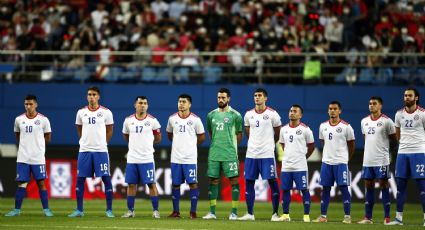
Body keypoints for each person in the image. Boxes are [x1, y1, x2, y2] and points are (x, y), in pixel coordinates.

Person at [68, 86, 114, 218]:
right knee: (80, 179)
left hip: (101, 151)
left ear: (98, 96)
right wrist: (85, 141)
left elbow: (110, 130)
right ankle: (79, 210)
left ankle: (109, 210)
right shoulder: (81, 112)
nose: (91, 97)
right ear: (87, 96)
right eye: (89, 94)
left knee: (106, 178)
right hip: (84, 150)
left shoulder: (106, 112)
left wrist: (103, 143)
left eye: (94, 94)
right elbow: (79, 129)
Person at [5, 95, 53, 217]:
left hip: (38, 158)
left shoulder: (43, 120)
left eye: (31, 104)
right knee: (22, 183)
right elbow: (17, 135)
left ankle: (46, 210)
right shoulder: (18, 119)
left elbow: (48, 137)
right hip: (23, 158)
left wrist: (39, 147)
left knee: (41, 183)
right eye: (26, 104)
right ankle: (16, 210)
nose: (28, 106)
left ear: (36, 104)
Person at [238, 88, 282, 221]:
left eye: (260, 95)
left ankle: (275, 214)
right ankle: (250, 214)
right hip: (251, 154)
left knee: (273, 182)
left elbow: (277, 133)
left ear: (265, 98)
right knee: (249, 182)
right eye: (255, 96)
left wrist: (267, 144)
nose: (257, 98)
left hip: (267, 155)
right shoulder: (248, 114)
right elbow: (247, 131)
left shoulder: (273, 114)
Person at [202, 88, 243, 220]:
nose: (220, 100)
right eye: (219, 97)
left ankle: (234, 212)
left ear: (228, 99)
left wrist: (231, 146)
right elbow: (210, 133)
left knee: (234, 180)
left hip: (230, 154)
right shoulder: (211, 115)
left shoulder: (235, 115)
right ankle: (212, 212)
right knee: (213, 181)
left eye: (223, 98)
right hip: (214, 153)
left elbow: (239, 135)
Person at [313, 101, 355, 224]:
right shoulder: (323, 126)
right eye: (330, 108)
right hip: (326, 162)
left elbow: (352, 144)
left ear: (339, 111)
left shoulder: (346, 127)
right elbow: (323, 142)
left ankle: (347, 217)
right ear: (328, 111)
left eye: (335, 109)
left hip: (341, 163)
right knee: (325, 189)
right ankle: (323, 216)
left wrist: (346, 158)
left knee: (343, 188)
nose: (332, 111)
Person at [389, 88, 425, 226]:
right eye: (405, 95)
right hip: (403, 153)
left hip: (419, 152)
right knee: (400, 187)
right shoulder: (399, 114)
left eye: (410, 95)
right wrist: (404, 144)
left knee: (422, 187)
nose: (407, 97)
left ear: (416, 98)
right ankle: (398, 219)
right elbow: (397, 134)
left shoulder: (422, 113)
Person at [121, 96, 162, 218]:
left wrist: (147, 144)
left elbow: (158, 138)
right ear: (135, 105)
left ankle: (155, 211)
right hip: (132, 158)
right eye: (140, 103)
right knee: (131, 184)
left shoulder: (153, 121)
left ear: (147, 106)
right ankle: (130, 211)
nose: (142, 105)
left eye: (145, 103)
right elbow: (126, 136)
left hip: (147, 159)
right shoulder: (128, 120)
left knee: (151, 184)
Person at [358, 96, 396, 225]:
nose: (371, 105)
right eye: (370, 103)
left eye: (374, 103)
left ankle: (387, 218)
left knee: (384, 185)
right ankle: (368, 217)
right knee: (368, 186)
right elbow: (366, 139)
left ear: (380, 106)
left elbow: (394, 140)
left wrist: (386, 152)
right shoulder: (364, 121)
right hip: (368, 160)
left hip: (382, 160)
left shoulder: (387, 121)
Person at [166, 94, 205, 218]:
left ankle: (193, 212)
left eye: (184, 101)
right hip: (176, 158)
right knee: (176, 184)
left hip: (190, 159)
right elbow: (170, 135)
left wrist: (191, 145)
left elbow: (202, 137)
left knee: (193, 183)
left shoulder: (195, 119)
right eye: (179, 101)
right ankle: (176, 211)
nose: (181, 104)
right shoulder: (172, 118)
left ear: (189, 104)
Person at [278, 105, 315, 222]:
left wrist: (303, 157)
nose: (292, 113)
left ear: (300, 115)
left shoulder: (306, 129)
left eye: (295, 111)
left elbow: (311, 147)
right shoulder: (283, 129)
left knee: (304, 190)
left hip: (300, 166)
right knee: (285, 190)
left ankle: (306, 216)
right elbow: (282, 144)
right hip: (287, 166)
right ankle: (285, 215)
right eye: (290, 111)